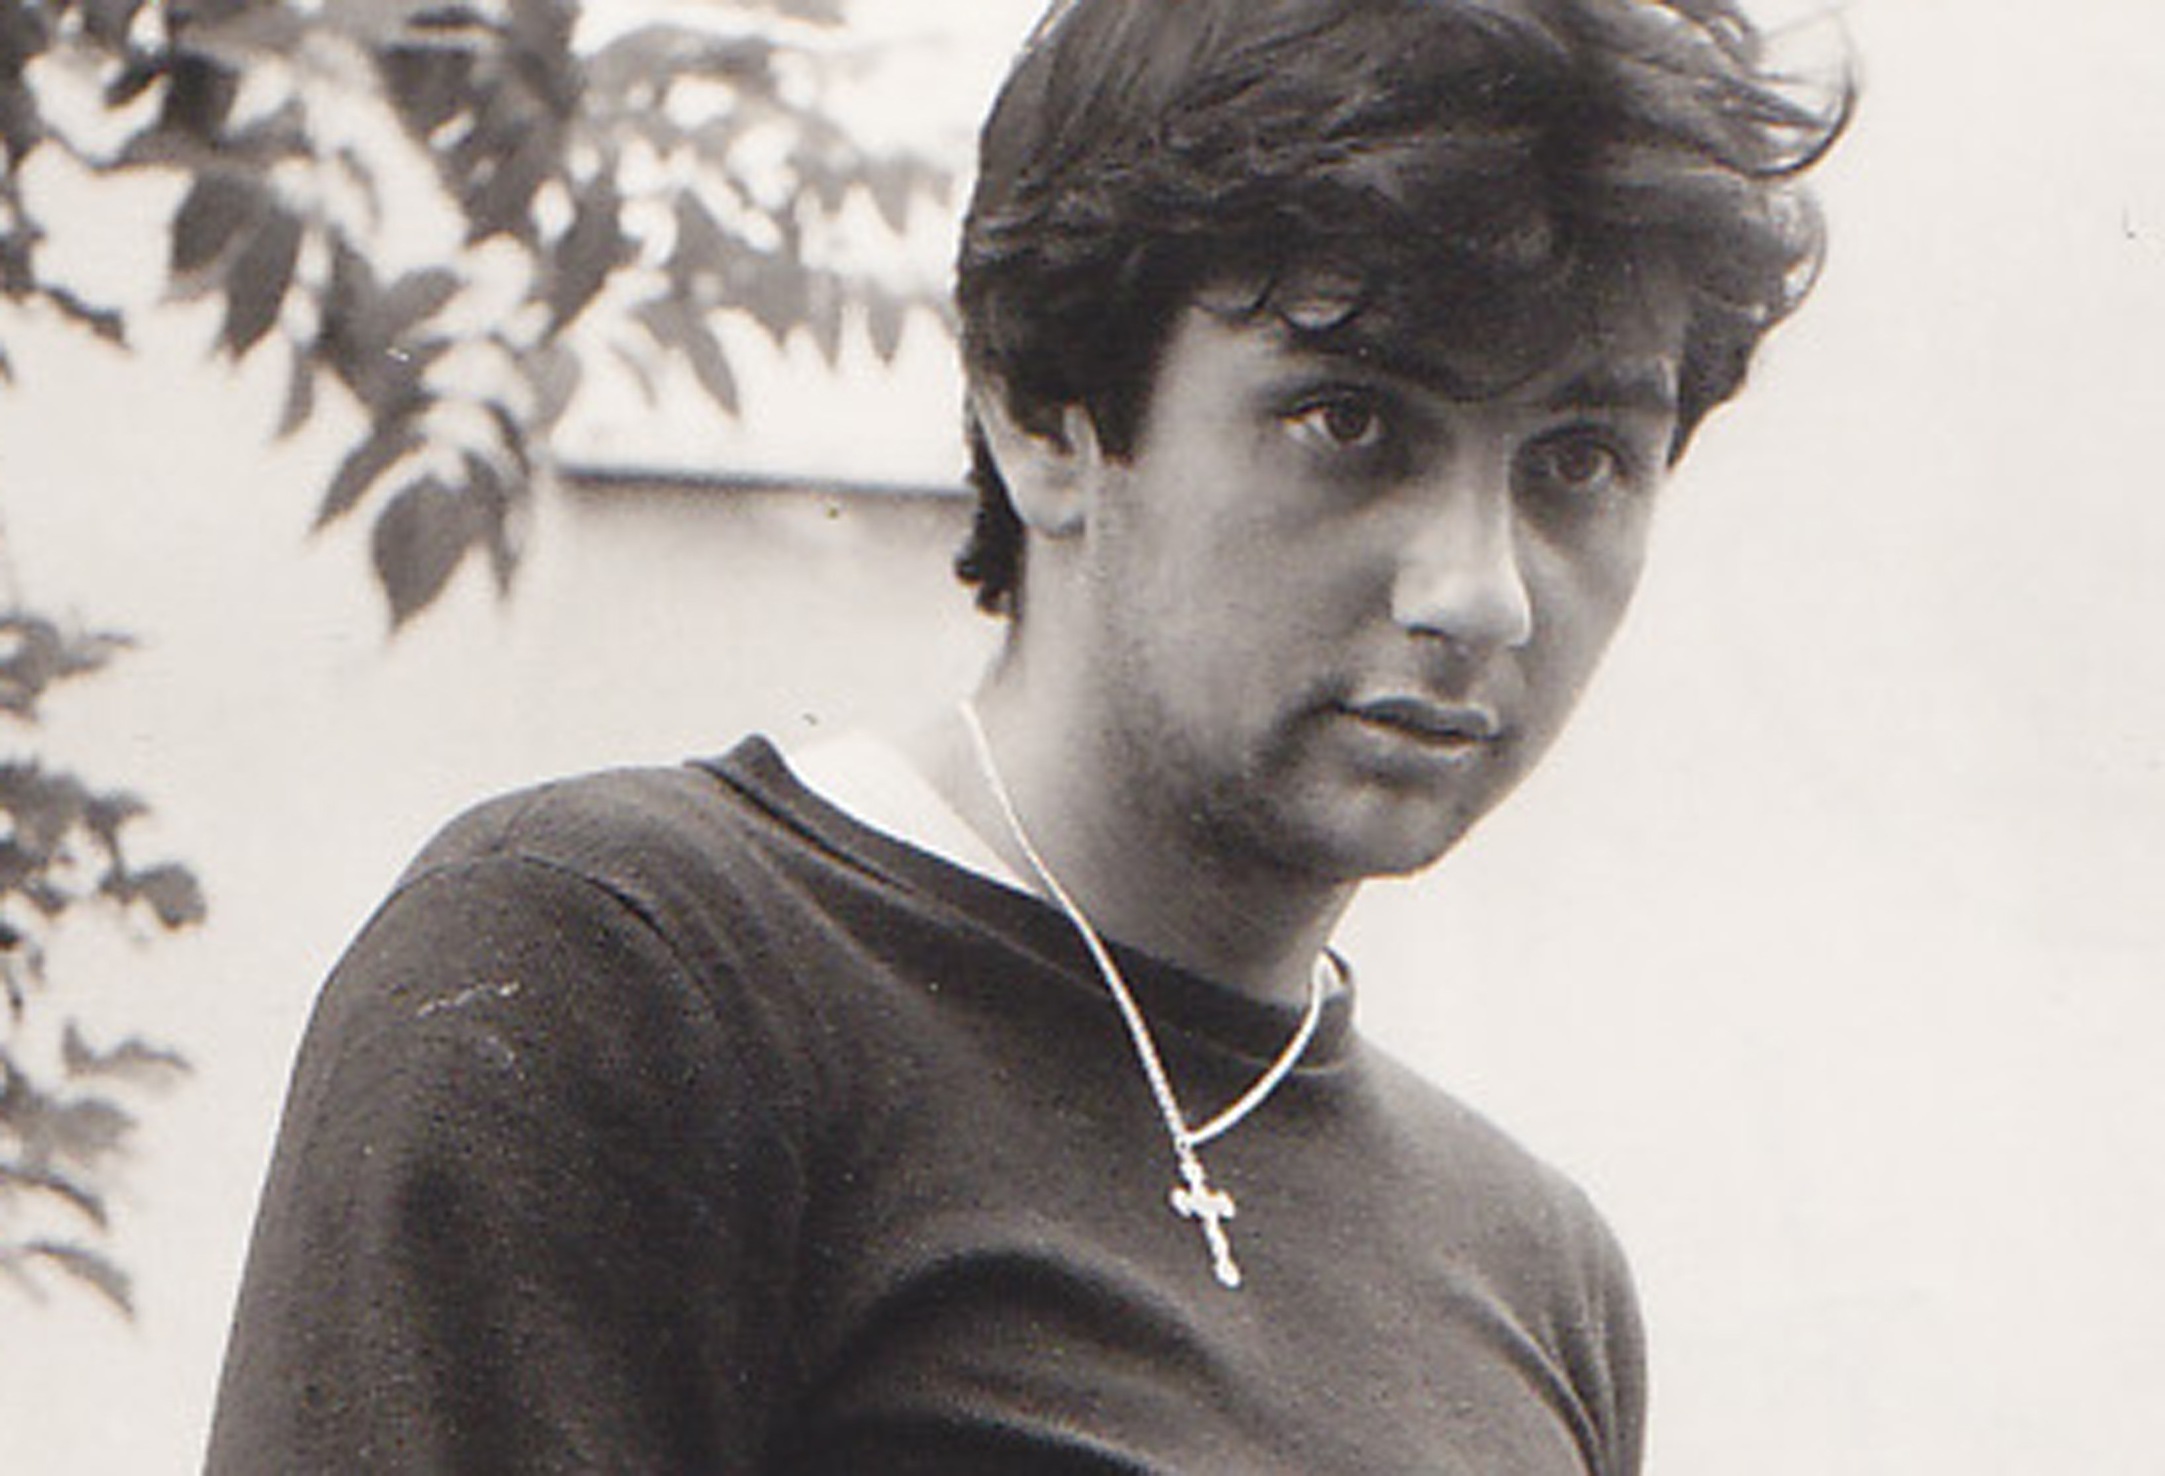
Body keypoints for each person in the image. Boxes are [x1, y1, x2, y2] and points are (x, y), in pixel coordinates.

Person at [208, 0, 1847, 1470]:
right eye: (1350, 421)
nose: (1479, 592)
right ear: (1043, 417)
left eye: (1579, 459)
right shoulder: (630, 972)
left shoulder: (1537, 1270)